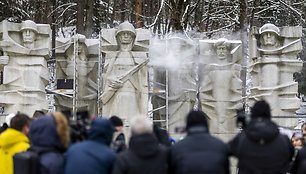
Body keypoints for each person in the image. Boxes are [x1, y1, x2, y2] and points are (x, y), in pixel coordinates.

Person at [228, 100, 294, 174]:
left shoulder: (242, 138)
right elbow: (290, 157)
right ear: (269, 114)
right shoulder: (284, 140)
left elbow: (227, 151)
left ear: (253, 115)